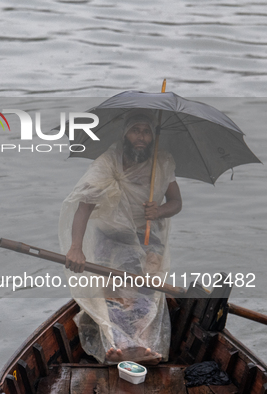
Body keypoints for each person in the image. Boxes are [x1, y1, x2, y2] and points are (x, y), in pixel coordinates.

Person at [59, 112, 182, 365]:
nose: (141, 137)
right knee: (113, 295)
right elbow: (84, 208)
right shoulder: (107, 164)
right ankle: (119, 347)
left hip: (147, 236)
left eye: (146, 132)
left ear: (152, 137)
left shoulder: (162, 162)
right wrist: (75, 249)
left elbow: (176, 203)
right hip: (110, 235)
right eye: (135, 131)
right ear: (125, 134)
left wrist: (158, 211)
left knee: (146, 291)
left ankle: (145, 347)